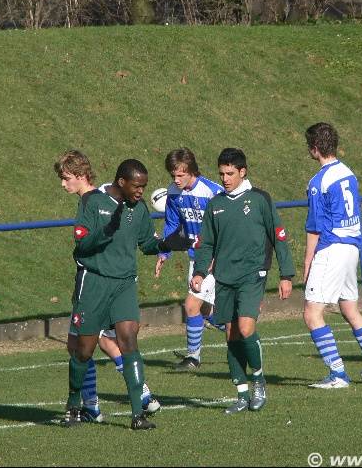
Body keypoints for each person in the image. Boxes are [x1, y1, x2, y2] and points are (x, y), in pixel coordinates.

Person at [54, 151, 190, 430]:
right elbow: (82, 245)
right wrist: (105, 232)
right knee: (83, 351)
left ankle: (138, 414)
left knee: (129, 340)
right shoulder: (93, 202)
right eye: (136, 186)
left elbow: (146, 243)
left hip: (125, 284)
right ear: (121, 182)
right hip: (94, 282)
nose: (141, 192)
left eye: (144, 186)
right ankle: (74, 405)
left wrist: (167, 244)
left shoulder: (138, 209)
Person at [191, 148, 295, 414]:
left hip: (252, 274)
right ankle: (241, 394)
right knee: (231, 333)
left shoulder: (259, 199)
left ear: (242, 172)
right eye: (222, 174)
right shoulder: (215, 204)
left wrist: (286, 275)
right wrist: (199, 272)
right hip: (224, 277)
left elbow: (278, 236)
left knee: (246, 328)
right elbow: (206, 243)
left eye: (230, 173)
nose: (225, 179)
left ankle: (258, 381)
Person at [302, 122, 362, 389]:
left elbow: (315, 227)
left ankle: (338, 374)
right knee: (350, 309)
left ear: (314, 148)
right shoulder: (349, 173)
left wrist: (307, 262)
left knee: (312, 313)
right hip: (352, 247)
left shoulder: (318, 182)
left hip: (332, 248)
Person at [154, 148, 224, 371]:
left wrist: (216, 256)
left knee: (191, 304)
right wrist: (164, 252)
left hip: (214, 259)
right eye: (173, 175)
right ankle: (239, 332)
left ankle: (193, 358)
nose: (176, 180)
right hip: (195, 257)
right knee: (204, 310)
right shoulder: (173, 192)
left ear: (192, 170)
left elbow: (226, 227)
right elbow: (172, 224)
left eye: (181, 175)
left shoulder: (212, 192)